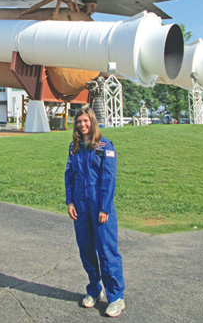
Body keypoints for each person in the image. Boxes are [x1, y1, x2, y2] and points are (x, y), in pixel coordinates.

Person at [65, 106, 125, 318]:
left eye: (86, 121)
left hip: (100, 207)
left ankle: (116, 297)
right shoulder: (75, 147)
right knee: (87, 251)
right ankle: (94, 290)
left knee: (107, 252)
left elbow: (109, 178)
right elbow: (69, 175)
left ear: (92, 122)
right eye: (79, 121)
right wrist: (70, 201)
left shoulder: (104, 146)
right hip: (80, 207)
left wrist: (105, 208)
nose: (83, 124)